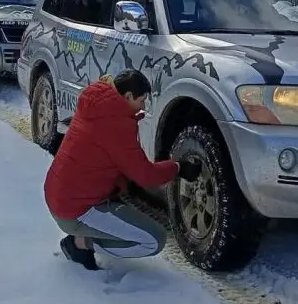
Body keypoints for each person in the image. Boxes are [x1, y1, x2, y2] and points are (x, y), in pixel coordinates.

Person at [44, 69, 202, 271]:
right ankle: (79, 244)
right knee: (153, 240)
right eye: (141, 100)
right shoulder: (116, 124)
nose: (143, 106)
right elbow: (145, 175)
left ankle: (85, 232)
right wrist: (178, 167)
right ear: (127, 96)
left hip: (59, 195)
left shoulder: (95, 105)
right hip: (75, 209)